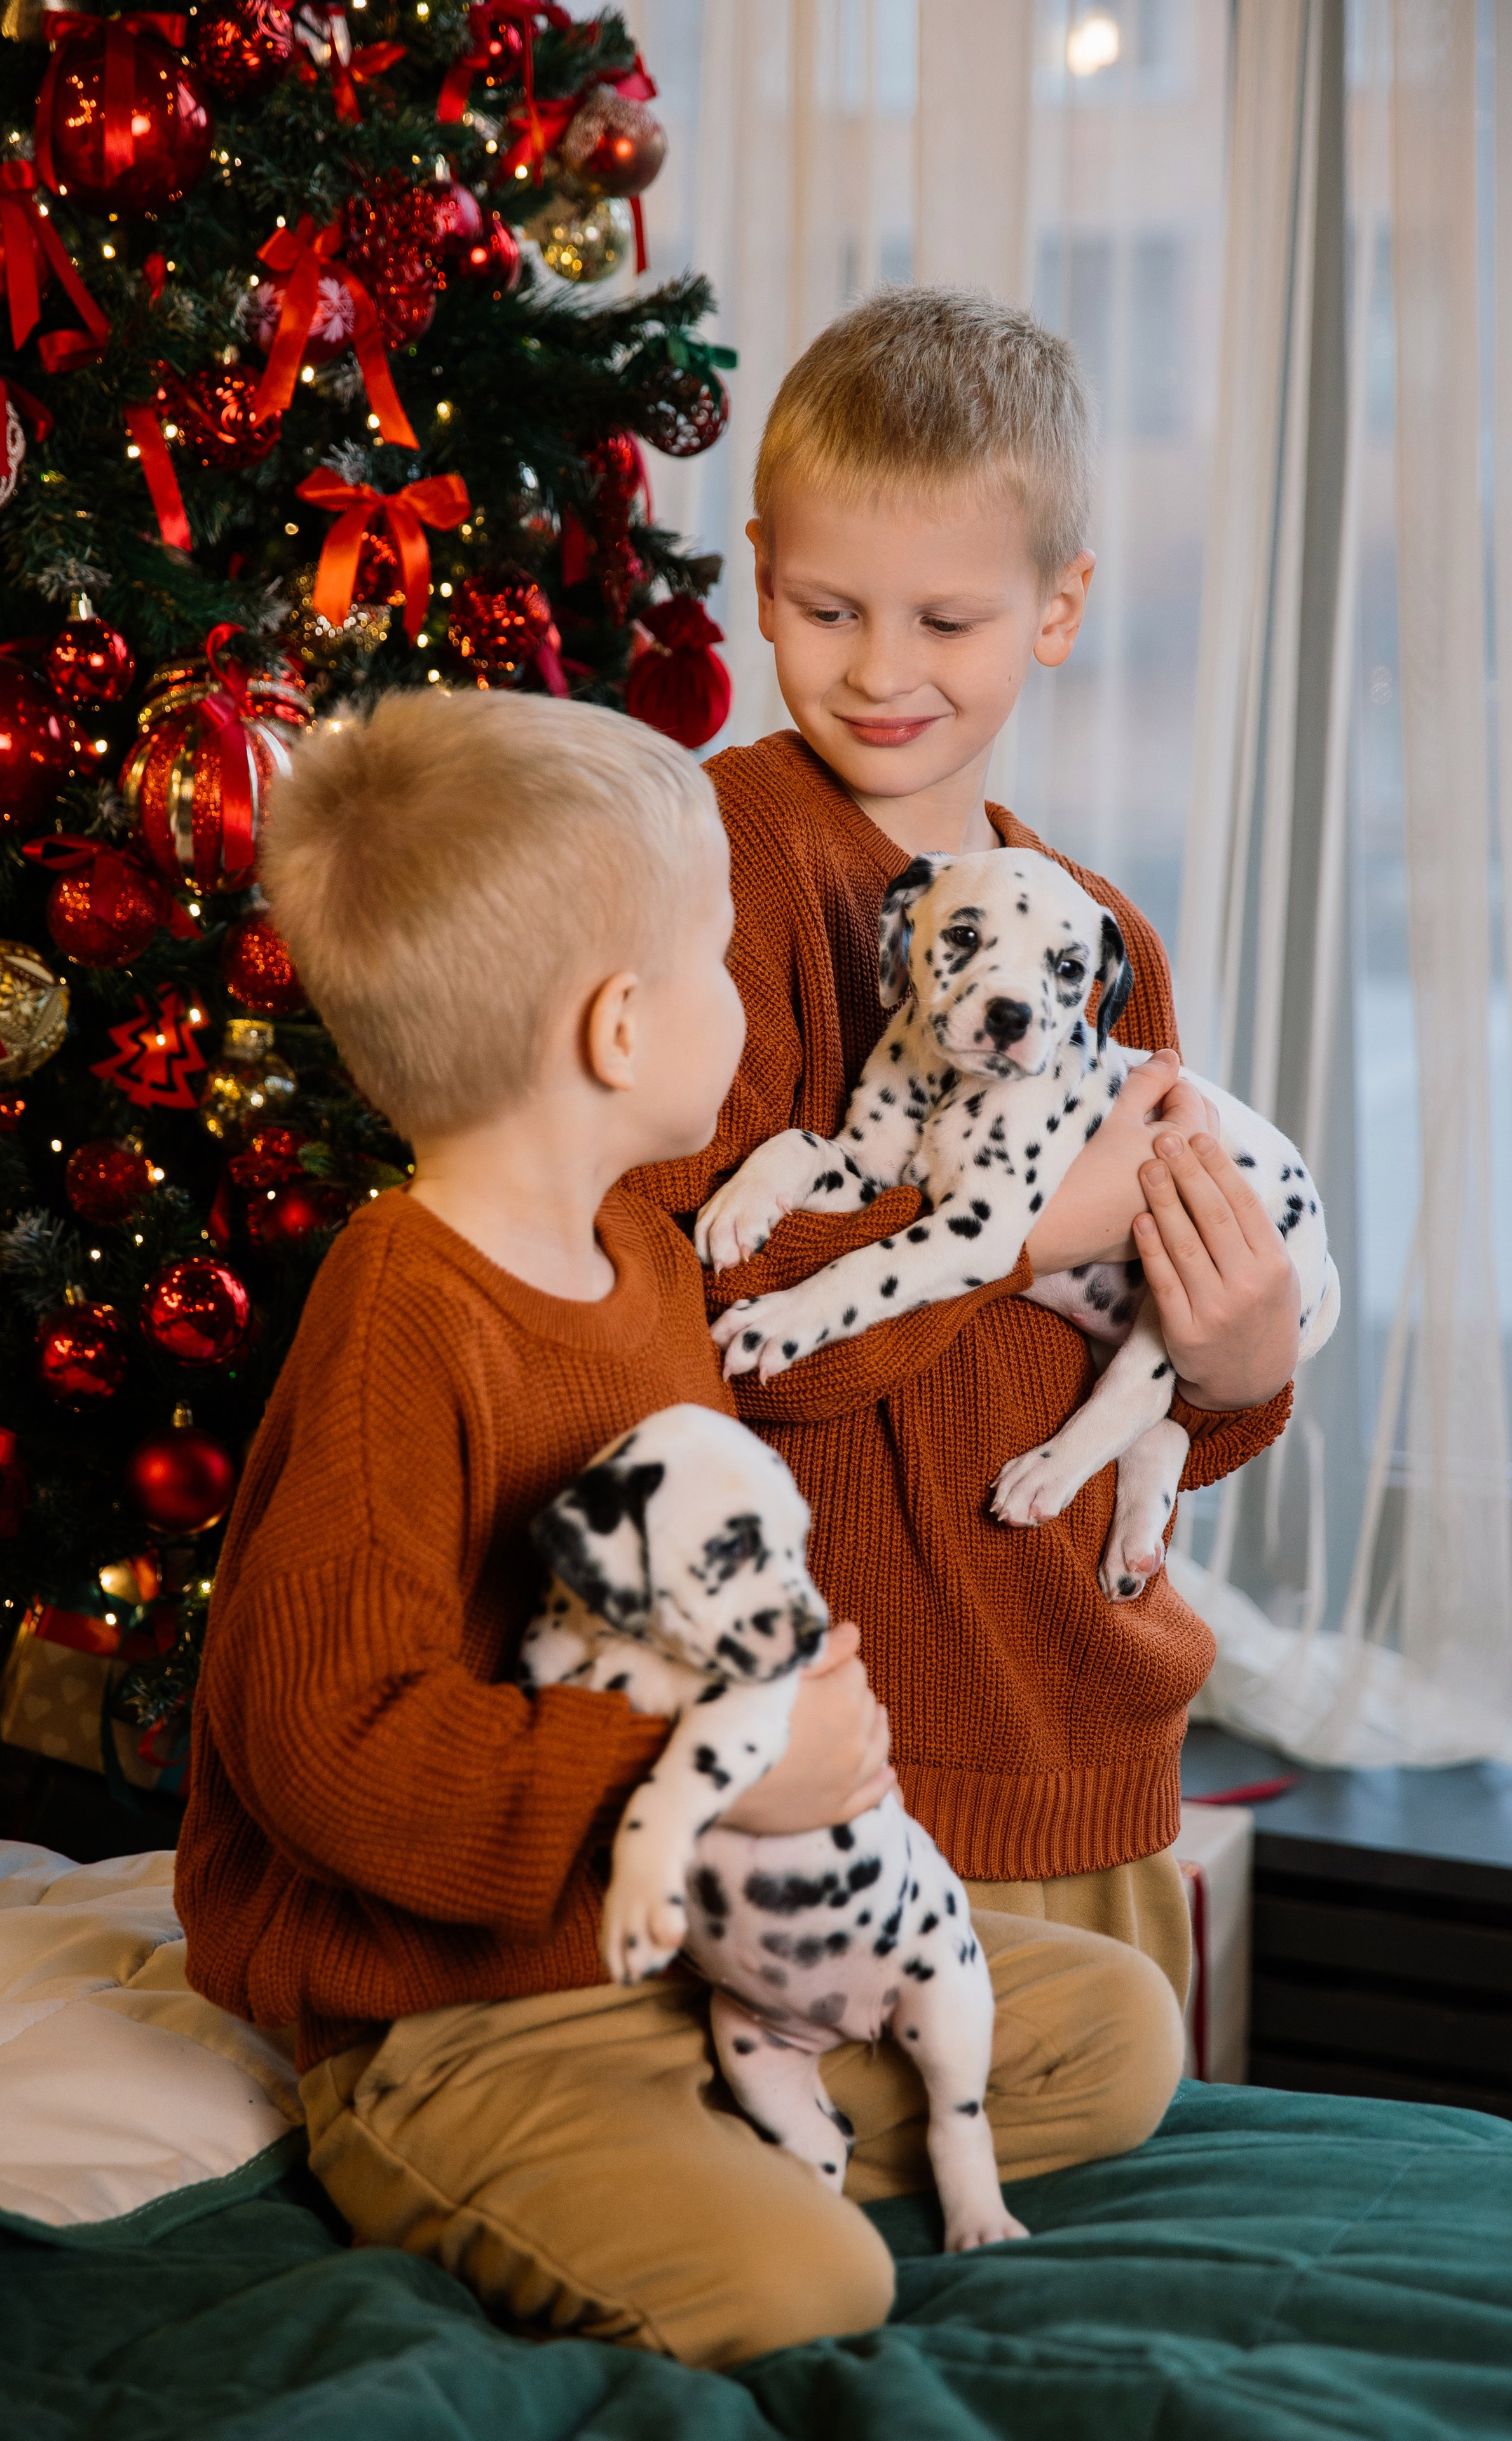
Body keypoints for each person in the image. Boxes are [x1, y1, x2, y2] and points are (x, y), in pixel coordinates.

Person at [174, 690, 1185, 2370]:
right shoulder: (402, 1310)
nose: (749, 999)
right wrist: (706, 1770)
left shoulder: (651, 1266)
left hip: (694, 1956)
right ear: (620, 1030)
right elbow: (322, 1746)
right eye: (718, 964)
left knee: (1119, 2032)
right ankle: (619, 2163)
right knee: (810, 2289)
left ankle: (728, 2119)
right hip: (460, 2015)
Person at [633, 289, 1301, 2004]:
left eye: (947, 617)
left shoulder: (1098, 936)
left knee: (1095, 2146)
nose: (881, 668)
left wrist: (1242, 1366)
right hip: (818, 1755)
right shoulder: (719, 869)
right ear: (761, 572)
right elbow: (701, 1332)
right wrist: (1023, 1224)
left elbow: (1161, 1366)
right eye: (831, 607)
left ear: (1059, 607)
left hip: (1081, 1735)